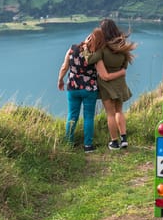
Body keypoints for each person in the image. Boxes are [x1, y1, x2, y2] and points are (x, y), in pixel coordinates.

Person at [58, 32, 126, 153]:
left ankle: (68, 142)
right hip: (89, 89)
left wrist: (60, 80)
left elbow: (64, 66)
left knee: (72, 115)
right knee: (88, 117)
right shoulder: (96, 56)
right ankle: (88, 146)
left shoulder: (72, 49)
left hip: (73, 88)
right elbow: (103, 74)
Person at [86, 19, 136, 150]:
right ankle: (124, 139)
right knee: (119, 111)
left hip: (106, 85)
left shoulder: (102, 48)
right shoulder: (122, 46)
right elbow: (124, 67)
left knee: (110, 114)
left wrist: (87, 46)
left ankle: (114, 142)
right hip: (120, 84)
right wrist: (120, 72)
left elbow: (90, 60)